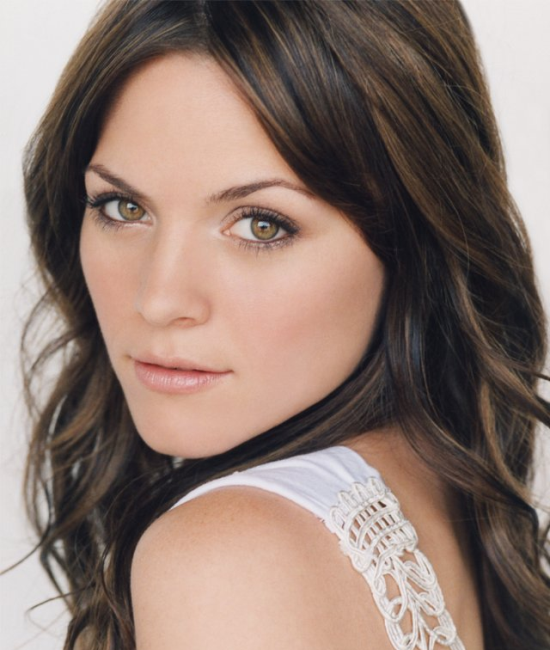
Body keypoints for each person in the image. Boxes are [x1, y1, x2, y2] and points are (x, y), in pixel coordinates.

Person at [20, 1, 550, 648]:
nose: (158, 299)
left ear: (414, 241)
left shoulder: (223, 561)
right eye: (122, 207)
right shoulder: (435, 492)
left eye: (261, 225)